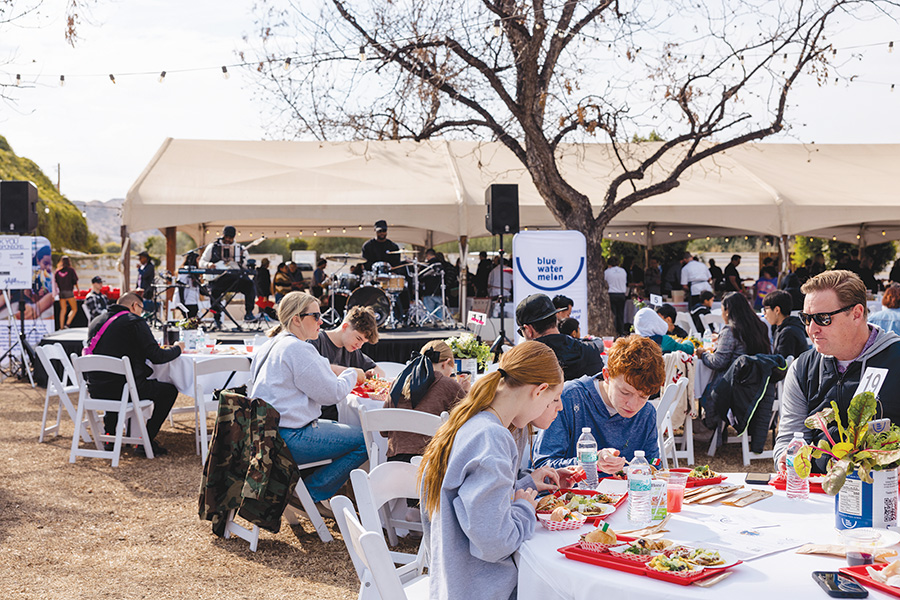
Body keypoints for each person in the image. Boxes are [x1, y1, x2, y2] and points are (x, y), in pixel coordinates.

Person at [419, 341, 565, 600]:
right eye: (554, 399)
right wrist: (525, 509)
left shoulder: (473, 422)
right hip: (481, 589)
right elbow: (495, 542)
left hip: (454, 582)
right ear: (539, 390)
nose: (559, 407)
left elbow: (471, 505)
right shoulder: (492, 438)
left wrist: (523, 486)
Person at [249, 291, 368, 508]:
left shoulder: (270, 344)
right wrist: (352, 373)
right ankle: (310, 493)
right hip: (288, 437)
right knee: (367, 440)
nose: (320, 321)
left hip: (263, 436)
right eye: (315, 316)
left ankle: (310, 491)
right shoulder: (297, 348)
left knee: (343, 431)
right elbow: (331, 394)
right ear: (296, 319)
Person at [774, 270, 900, 472]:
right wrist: (785, 458)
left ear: (857, 314)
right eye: (807, 318)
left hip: (885, 491)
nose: (812, 329)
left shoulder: (895, 359)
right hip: (818, 491)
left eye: (823, 318)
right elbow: (790, 438)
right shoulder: (802, 368)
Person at [533, 334, 665, 471]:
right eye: (625, 393)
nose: (633, 405)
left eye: (643, 397)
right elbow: (541, 466)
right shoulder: (569, 399)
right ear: (607, 375)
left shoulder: (646, 412)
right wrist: (590, 461)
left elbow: (653, 467)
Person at [86, 291, 183, 456]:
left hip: (95, 389)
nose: (141, 313)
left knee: (113, 378)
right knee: (169, 391)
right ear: (134, 306)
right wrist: (178, 349)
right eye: (141, 309)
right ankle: (146, 440)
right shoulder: (134, 322)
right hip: (125, 390)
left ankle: (110, 436)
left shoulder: (96, 321)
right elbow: (157, 356)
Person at [384, 340, 468, 462]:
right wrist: (464, 391)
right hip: (431, 463)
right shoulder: (448, 385)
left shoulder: (398, 382)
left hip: (395, 463)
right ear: (446, 363)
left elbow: (384, 431)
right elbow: (467, 420)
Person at [696, 291, 770, 413]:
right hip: (756, 384)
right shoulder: (760, 326)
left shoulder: (730, 330)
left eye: (722, 310)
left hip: (732, 385)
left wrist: (703, 354)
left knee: (704, 389)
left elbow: (718, 362)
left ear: (727, 311)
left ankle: (710, 425)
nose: (721, 314)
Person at [309, 305, 384, 420]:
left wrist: (373, 375)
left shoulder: (352, 349)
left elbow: (379, 371)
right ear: (345, 326)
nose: (359, 346)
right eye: (358, 338)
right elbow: (312, 368)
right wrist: (352, 373)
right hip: (319, 416)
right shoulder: (316, 340)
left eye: (363, 343)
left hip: (343, 413)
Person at [515, 294, 603, 381]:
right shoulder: (590, 350)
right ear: (555, 318)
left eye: (521, 332)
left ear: (528, 330)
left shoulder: (525, 365)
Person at [199, 226, 258, 326]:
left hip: (237, 278)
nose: (227, 240)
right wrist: (208, 265)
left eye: (230, 238)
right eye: (226, 237)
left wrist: (243, 261)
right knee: (214, 291)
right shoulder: (213, 246)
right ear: (222, 236)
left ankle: (249, 313)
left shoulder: (241, 249)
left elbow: (246, 265)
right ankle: (216, 317)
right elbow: (201, 262)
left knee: (250, 285)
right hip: (219, 278)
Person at [762, 289, 808, 359]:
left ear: (777, 310)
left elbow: (782, 365)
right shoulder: (784, 327)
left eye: (765, 309)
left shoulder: (788, 332)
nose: (764, 313)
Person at [53, 255, 78, 329]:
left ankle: (61, 327)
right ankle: (67, 324)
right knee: (74, 309)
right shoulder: (71, 270)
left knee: (63, 310)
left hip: (61, 292)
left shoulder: (57, 272)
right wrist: (78, 290)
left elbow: (55, 282)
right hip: (69, 292)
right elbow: (75, 281)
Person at [605, 256, 628, 336]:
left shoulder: (607, 272)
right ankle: (621, 331)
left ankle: (614, 331)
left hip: (612, 293)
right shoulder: (623, 271)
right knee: (620, 314)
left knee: (613, 314)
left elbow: (605, 282)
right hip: (621, 294)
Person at [177, 252, 202, 318]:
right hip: (187, 300)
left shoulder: (196, 271)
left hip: (194, 300)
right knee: (189, 318)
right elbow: (180, 286)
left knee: (193, 318)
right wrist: (182, 301)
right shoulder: (184, 270)